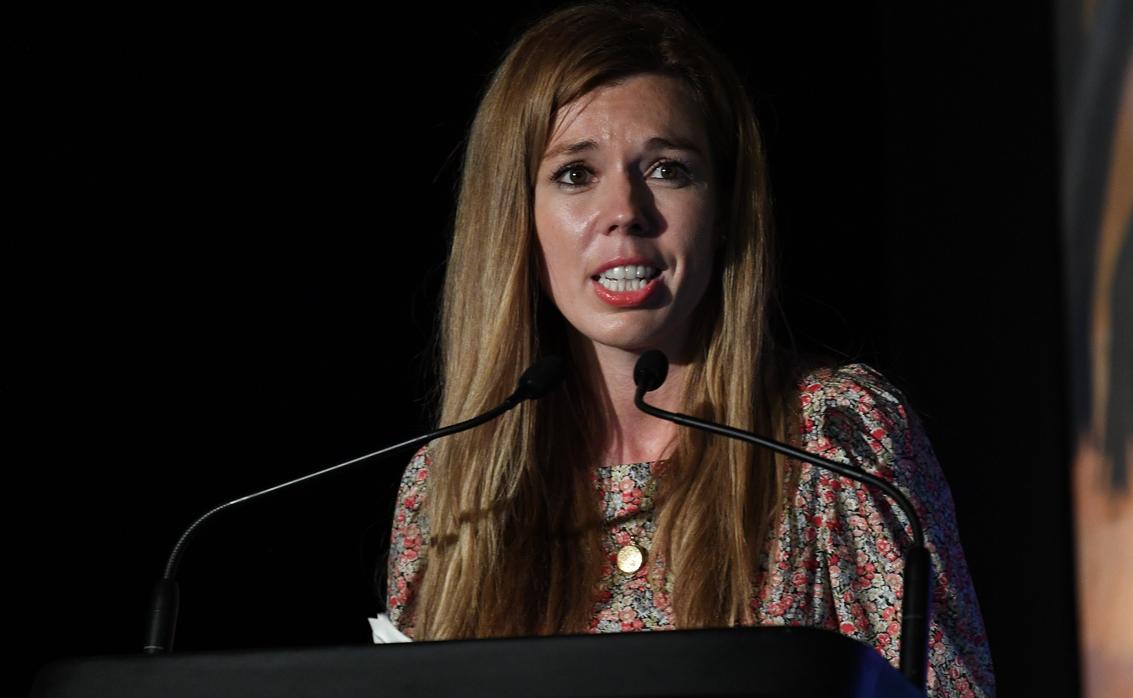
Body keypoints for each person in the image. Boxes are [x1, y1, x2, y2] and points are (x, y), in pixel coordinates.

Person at [385, 2, 995, 694]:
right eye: (576, 175)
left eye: (668, 169)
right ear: (516, 218)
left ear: (726, 214)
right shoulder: (446, 488)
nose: (625, 211)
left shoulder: (835, 438)